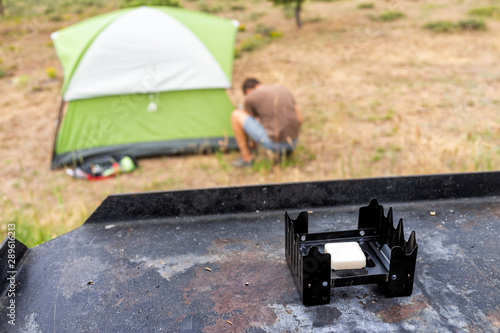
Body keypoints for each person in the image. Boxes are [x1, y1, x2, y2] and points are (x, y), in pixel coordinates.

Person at [231, 78, 303, 167]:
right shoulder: (282, 88)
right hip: (294, 142)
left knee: (236, 114)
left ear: (247, 91)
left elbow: (253, 121)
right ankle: (287, 152)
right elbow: (300, 118)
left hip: (274, 144)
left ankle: (246, 158)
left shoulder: (250, 96)